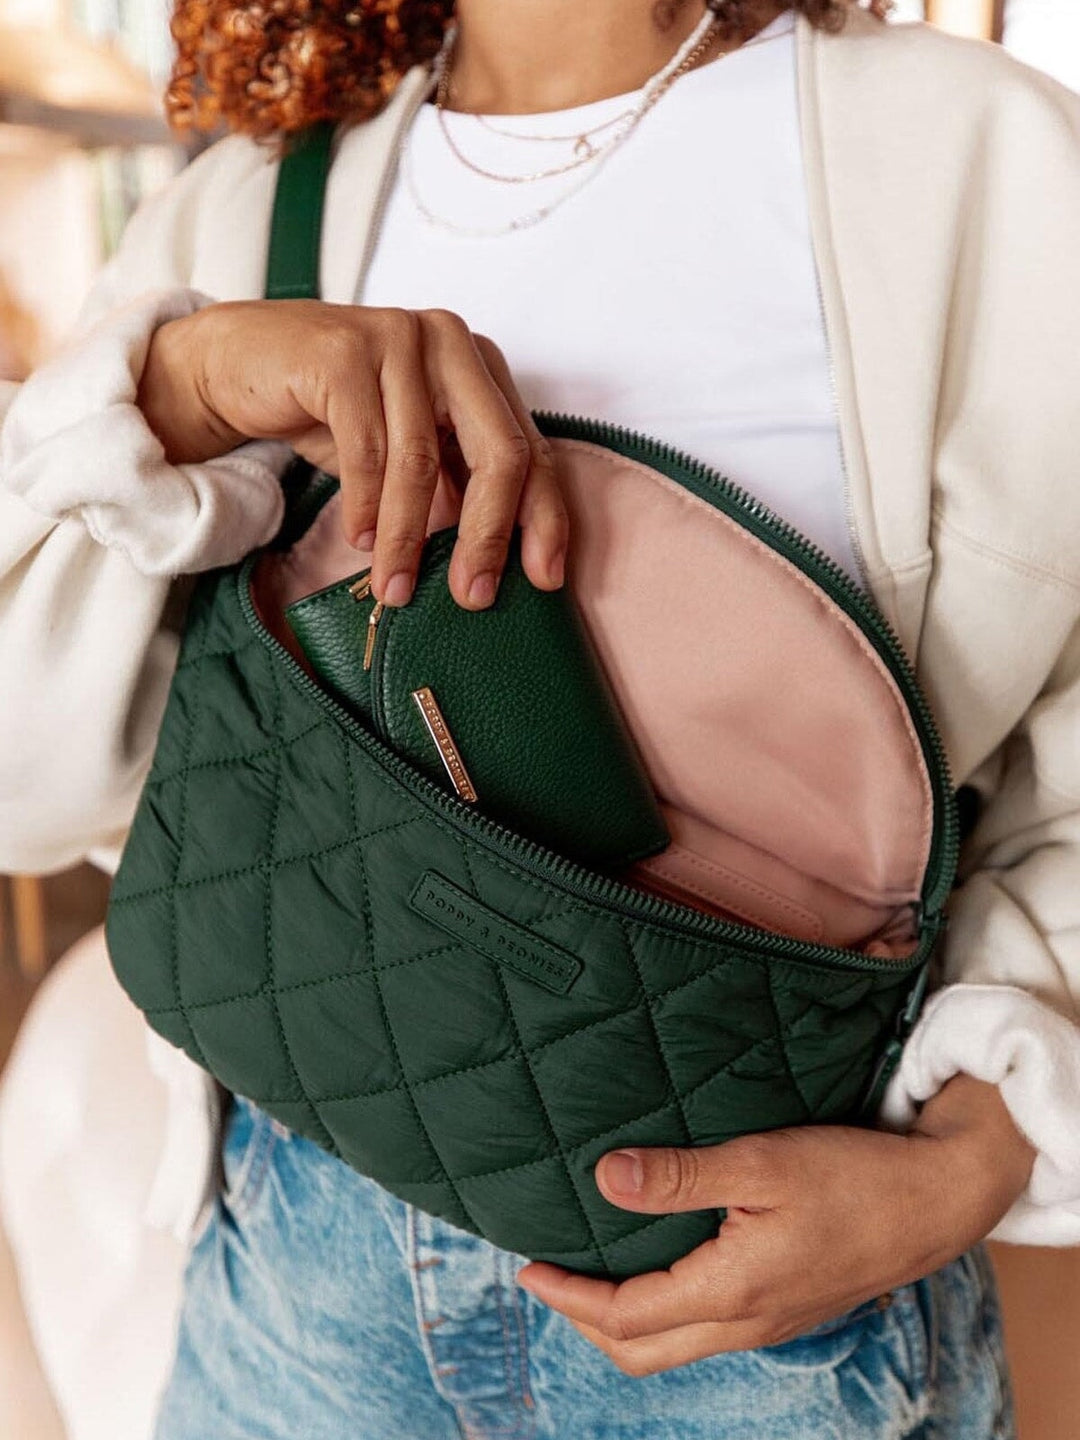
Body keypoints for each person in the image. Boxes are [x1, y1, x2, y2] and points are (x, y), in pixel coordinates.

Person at [1, 0, 1079, 1435]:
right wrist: (177, 396)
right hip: (295, 1275)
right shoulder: (251, 208)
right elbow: (25, 786)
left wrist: (979, 1156)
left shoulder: (977, 160)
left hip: (769, 1321)